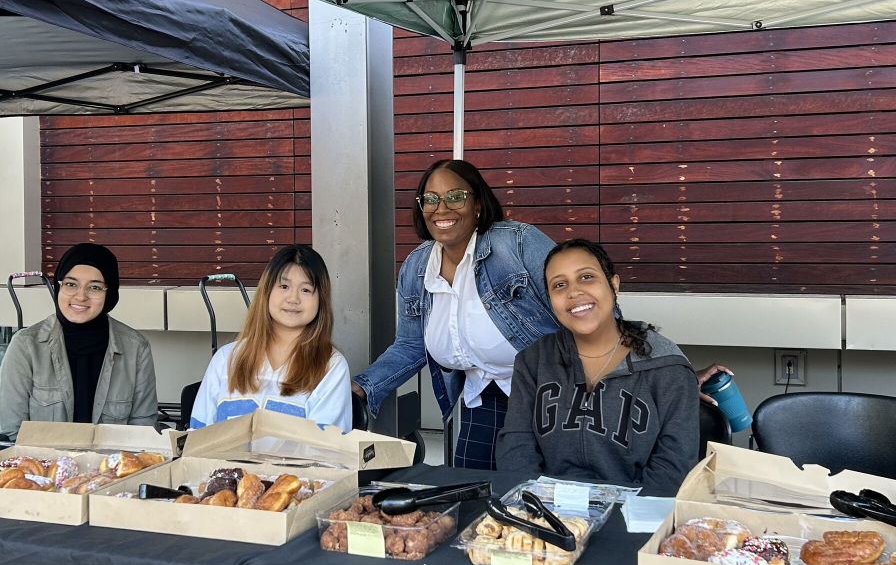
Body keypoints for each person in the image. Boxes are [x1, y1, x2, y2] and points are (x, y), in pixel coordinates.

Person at [352, 159, 559, 469]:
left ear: (477, 203)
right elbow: (411, 345)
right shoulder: (417, 266)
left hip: (553, 396)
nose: (442, 208)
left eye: (455, 196)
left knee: (546, 500)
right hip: (485, 397)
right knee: (470, 496)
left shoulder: (517, 244)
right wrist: (362, 387)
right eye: (431, 199)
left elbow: (582, 304)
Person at [496, 238, 699, 494]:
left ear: (613, 284)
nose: (574, 292)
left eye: (586, 277)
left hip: (632, 519)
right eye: (559, 285)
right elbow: (516, 445)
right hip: (547, 515)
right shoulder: (534, 361)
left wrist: (626, 519)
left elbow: (674, 465)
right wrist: (534, 506)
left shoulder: (667, 367)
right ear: (550, 301)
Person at [0, 243, 158, 440]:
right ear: (58, 287)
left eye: (95, 287)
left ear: (110, 293)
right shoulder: (26, 346)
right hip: (41, 467)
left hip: (111, 467)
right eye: (71, 284)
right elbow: (10, 432)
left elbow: (142, 430)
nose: (81, 296)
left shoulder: (136, 348)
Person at [190, 244, 352, 432]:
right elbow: (197, 439)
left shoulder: (331, 367)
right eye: (284, 286)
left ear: (321, 300)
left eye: (306, 290)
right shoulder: (226, 358)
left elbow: (328, 454)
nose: (293, 298)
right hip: (221, 463)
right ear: (266, 292)